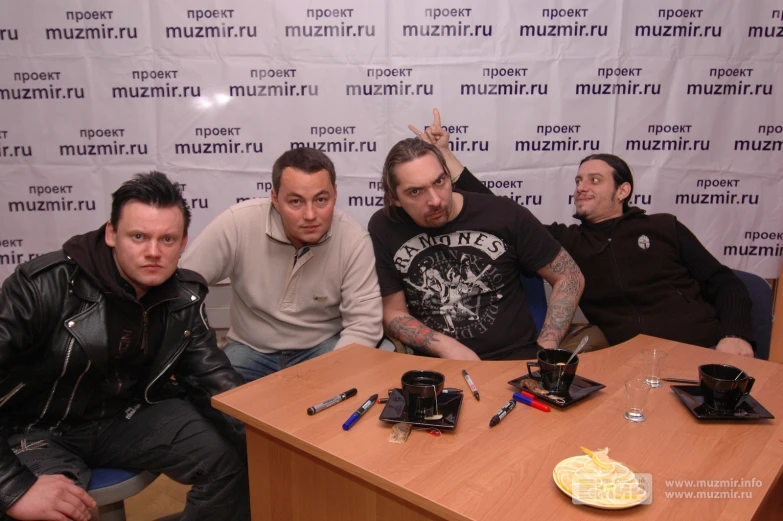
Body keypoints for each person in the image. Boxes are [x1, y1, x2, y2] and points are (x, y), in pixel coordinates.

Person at [0, 172, 249, 521]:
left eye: (167, 239)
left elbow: (213, 378)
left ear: (183, 242)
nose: (153, 252)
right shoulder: (41, 286)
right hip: (37, 428)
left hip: (126, 416)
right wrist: (13, 487)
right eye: (138, 236)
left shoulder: (183, 294)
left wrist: (268, 441)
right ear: (111, 234)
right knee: (57, 510)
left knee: (233, 462)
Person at [422, 110, 755, 357]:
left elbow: (724, 282)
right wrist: (446, 157)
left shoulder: (663, 226)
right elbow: (500, 214)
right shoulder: (567, 242)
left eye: (594, 180)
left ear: (623, 190)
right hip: (629, 362)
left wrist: (736, 334)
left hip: (702, 348)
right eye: (579, 181)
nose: (581, 187)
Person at [367, 136, 584, 361]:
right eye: (415, 192)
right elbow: (393, 312)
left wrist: (546, 349)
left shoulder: (503, 213)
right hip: (438, 367)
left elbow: (569, 276)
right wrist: (445, 346)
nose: (435, 200)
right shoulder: (385, 226)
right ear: (395, 198)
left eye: (439, 182)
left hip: (515, 359)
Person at [181, 147, 382, 381]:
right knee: (215, 405)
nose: (310, 215)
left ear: (335, 194)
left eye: (320, 200)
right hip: (250, 347)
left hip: (322, 347)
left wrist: (334, 376)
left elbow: (364, 322)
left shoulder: (353, 240)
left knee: (342, 401)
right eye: (296, 201)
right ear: (275, 198)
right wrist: (203, 349)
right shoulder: (238, 223)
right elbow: (183, 288)